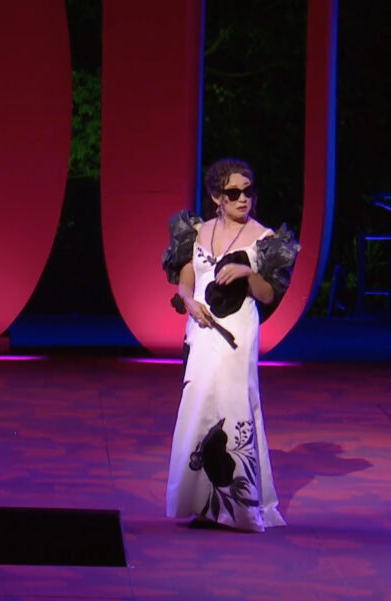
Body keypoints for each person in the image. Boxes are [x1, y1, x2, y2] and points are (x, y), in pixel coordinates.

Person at [161, 158, 299, 532]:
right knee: (200, 404)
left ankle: (239, 507)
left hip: (237, 333)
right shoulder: (196, 231)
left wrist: (247, 271)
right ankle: (203, 504)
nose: (243, 199)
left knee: (235, 404)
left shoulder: (264, 237)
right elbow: (186, 281)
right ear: (215, 197)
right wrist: (189, 303)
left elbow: (268, 295)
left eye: (248, 191)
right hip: (201, 331)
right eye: (234, 193)